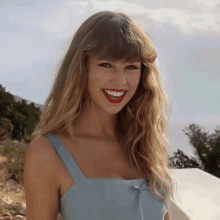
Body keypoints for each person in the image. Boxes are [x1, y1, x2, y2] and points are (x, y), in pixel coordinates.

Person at [23, 10, 175, 220]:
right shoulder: (47, 153)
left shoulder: (144, 144)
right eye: (106, 65)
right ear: (81, 69)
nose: (120, 80)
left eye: (131, 67)